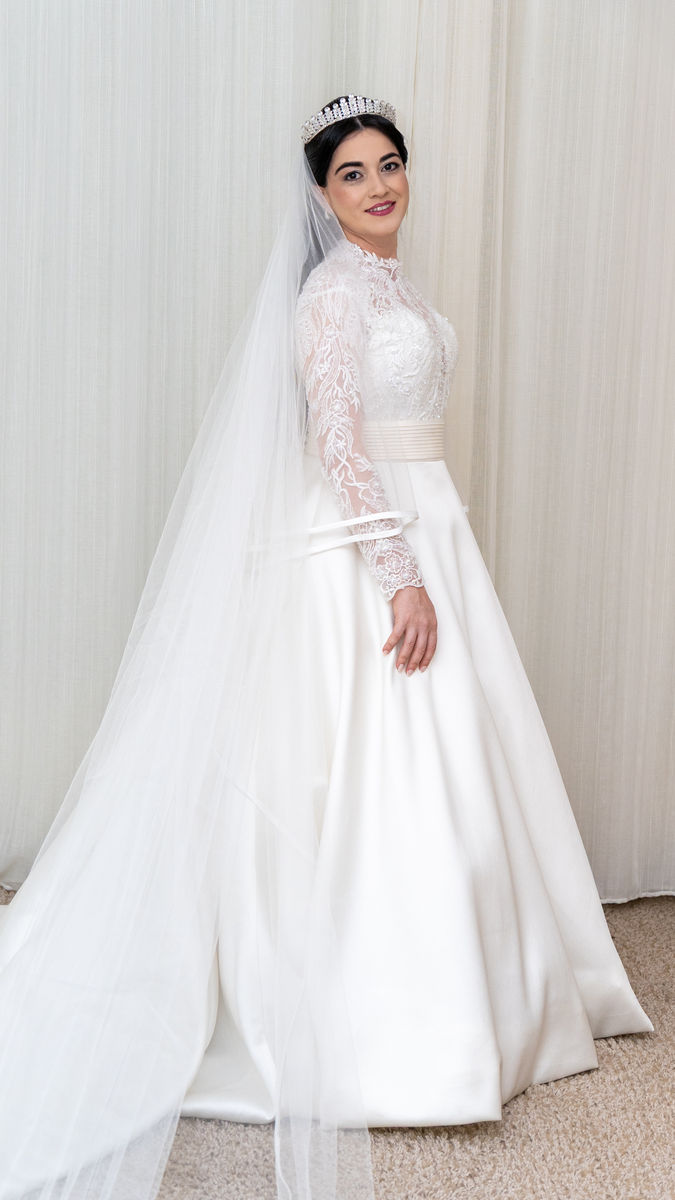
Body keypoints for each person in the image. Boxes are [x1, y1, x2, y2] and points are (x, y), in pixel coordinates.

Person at [0, 95, 652, 1200]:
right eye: (353, 173)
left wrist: (424, 552)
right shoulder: (331, 294)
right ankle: (394, 1024)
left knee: (457, 764)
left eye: (390, 164)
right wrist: (397, 574)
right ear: (321, 194)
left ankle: (489, 994)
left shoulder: (393, 286)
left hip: (430, 521)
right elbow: (337, 440)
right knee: (373, 768)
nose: (379, 186)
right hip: (371, 542)